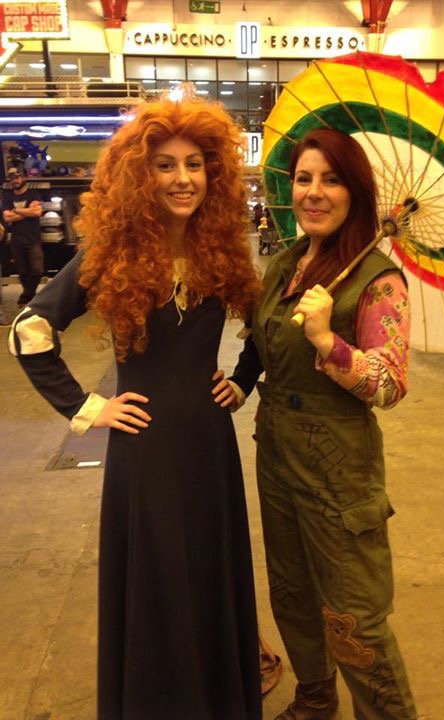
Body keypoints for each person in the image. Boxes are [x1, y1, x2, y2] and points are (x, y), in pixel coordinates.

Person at [9, 96, 263, 720]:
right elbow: (30, 330)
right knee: (157, 572)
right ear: (137, 177)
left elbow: (267, 326)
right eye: (165, 165)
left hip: (209, 445)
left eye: (195, 164)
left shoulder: (221, 250)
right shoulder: (109, 255)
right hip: (143, 448)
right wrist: (87, 407)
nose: (183, 179)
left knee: (207, 568)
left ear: (214, 173)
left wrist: (242, 380)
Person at [213, 128, 417, 720]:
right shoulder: (284, 263)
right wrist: (241, 380)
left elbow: (389, 385)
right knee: (293, 591)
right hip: (276, 454)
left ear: (355, 192)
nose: (314, 192)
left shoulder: (378, 279)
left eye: (331, 180)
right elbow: (262, 337)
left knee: (354, 611)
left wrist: (329, 340)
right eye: (304, 179)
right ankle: (315, 697)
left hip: (339, 470)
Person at [2, 167, 43, 307]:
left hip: (33, 239)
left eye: (17, 177)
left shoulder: (33, 194)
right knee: (23, 272)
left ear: (23, 178)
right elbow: (7, 218)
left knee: (37, 270)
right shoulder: (8, 196)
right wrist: (27, 211)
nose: (15, 180)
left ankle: (26, 296)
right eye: (12, 178)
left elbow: (37, 212)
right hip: (16, 240)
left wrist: (16, 210)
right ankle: (31, 297)